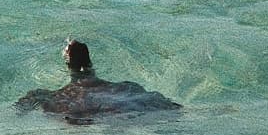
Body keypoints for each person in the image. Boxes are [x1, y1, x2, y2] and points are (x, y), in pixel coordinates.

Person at [15, 39, 182, 122]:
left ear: (67, 64)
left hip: (85, 115)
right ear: (90, 62)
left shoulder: (55, 96)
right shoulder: (124, 87)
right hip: (124, 105)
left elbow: (19, 111)